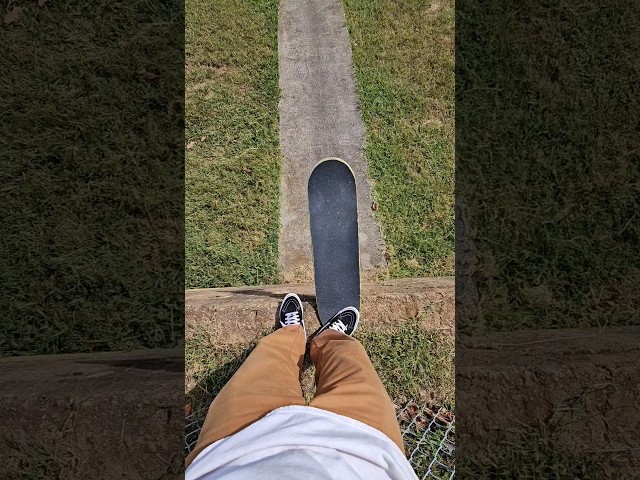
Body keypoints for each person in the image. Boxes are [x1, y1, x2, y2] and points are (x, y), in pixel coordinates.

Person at [185, 293, 417, 479]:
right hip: (368, 451)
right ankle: (330, 338)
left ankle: (290, 332)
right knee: (353, 367)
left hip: (234, 446)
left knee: (267, 362)